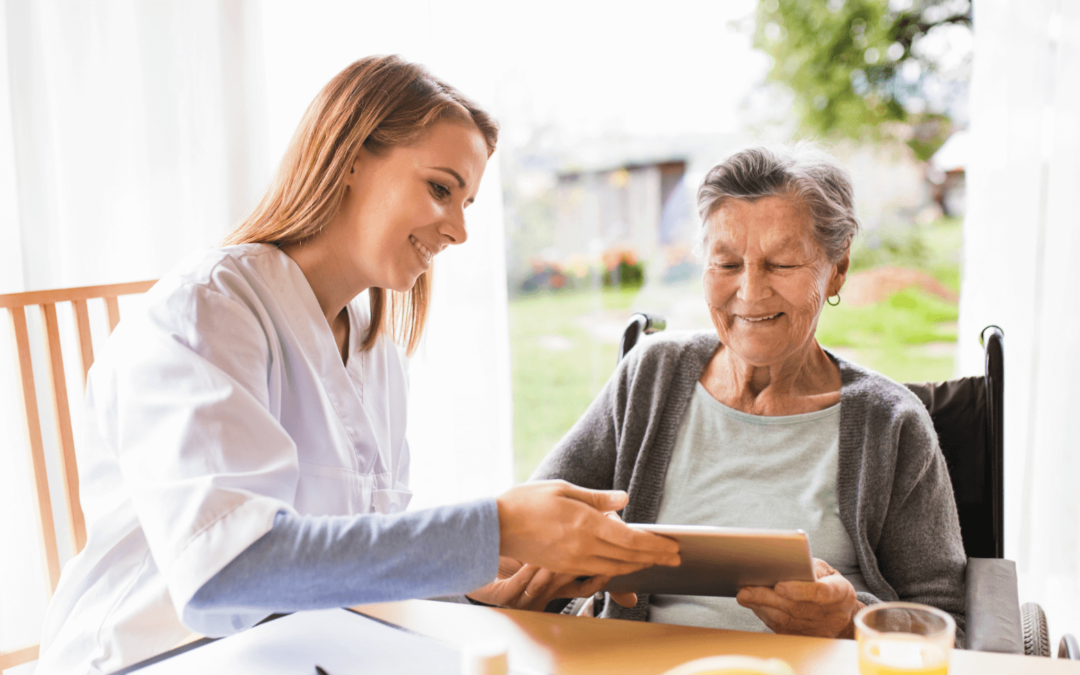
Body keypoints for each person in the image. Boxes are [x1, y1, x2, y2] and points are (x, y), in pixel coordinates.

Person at [36, 55, 679, 675]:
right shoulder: (206, 311)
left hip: (302, 650)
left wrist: (481, 591)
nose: (458, 231)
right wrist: (495, 525)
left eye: (467, 204)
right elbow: (225, 574)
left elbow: (348, 571)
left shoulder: (376, 353)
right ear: (348, 159)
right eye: (440, 189)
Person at [532, 144, 966, 644]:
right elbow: (534, 525)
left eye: (780, 264)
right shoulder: (652, 373)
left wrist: (849, 623)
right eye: (727, 263)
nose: (750, 292)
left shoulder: (892, 423)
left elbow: (949, 621)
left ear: (838, 268)